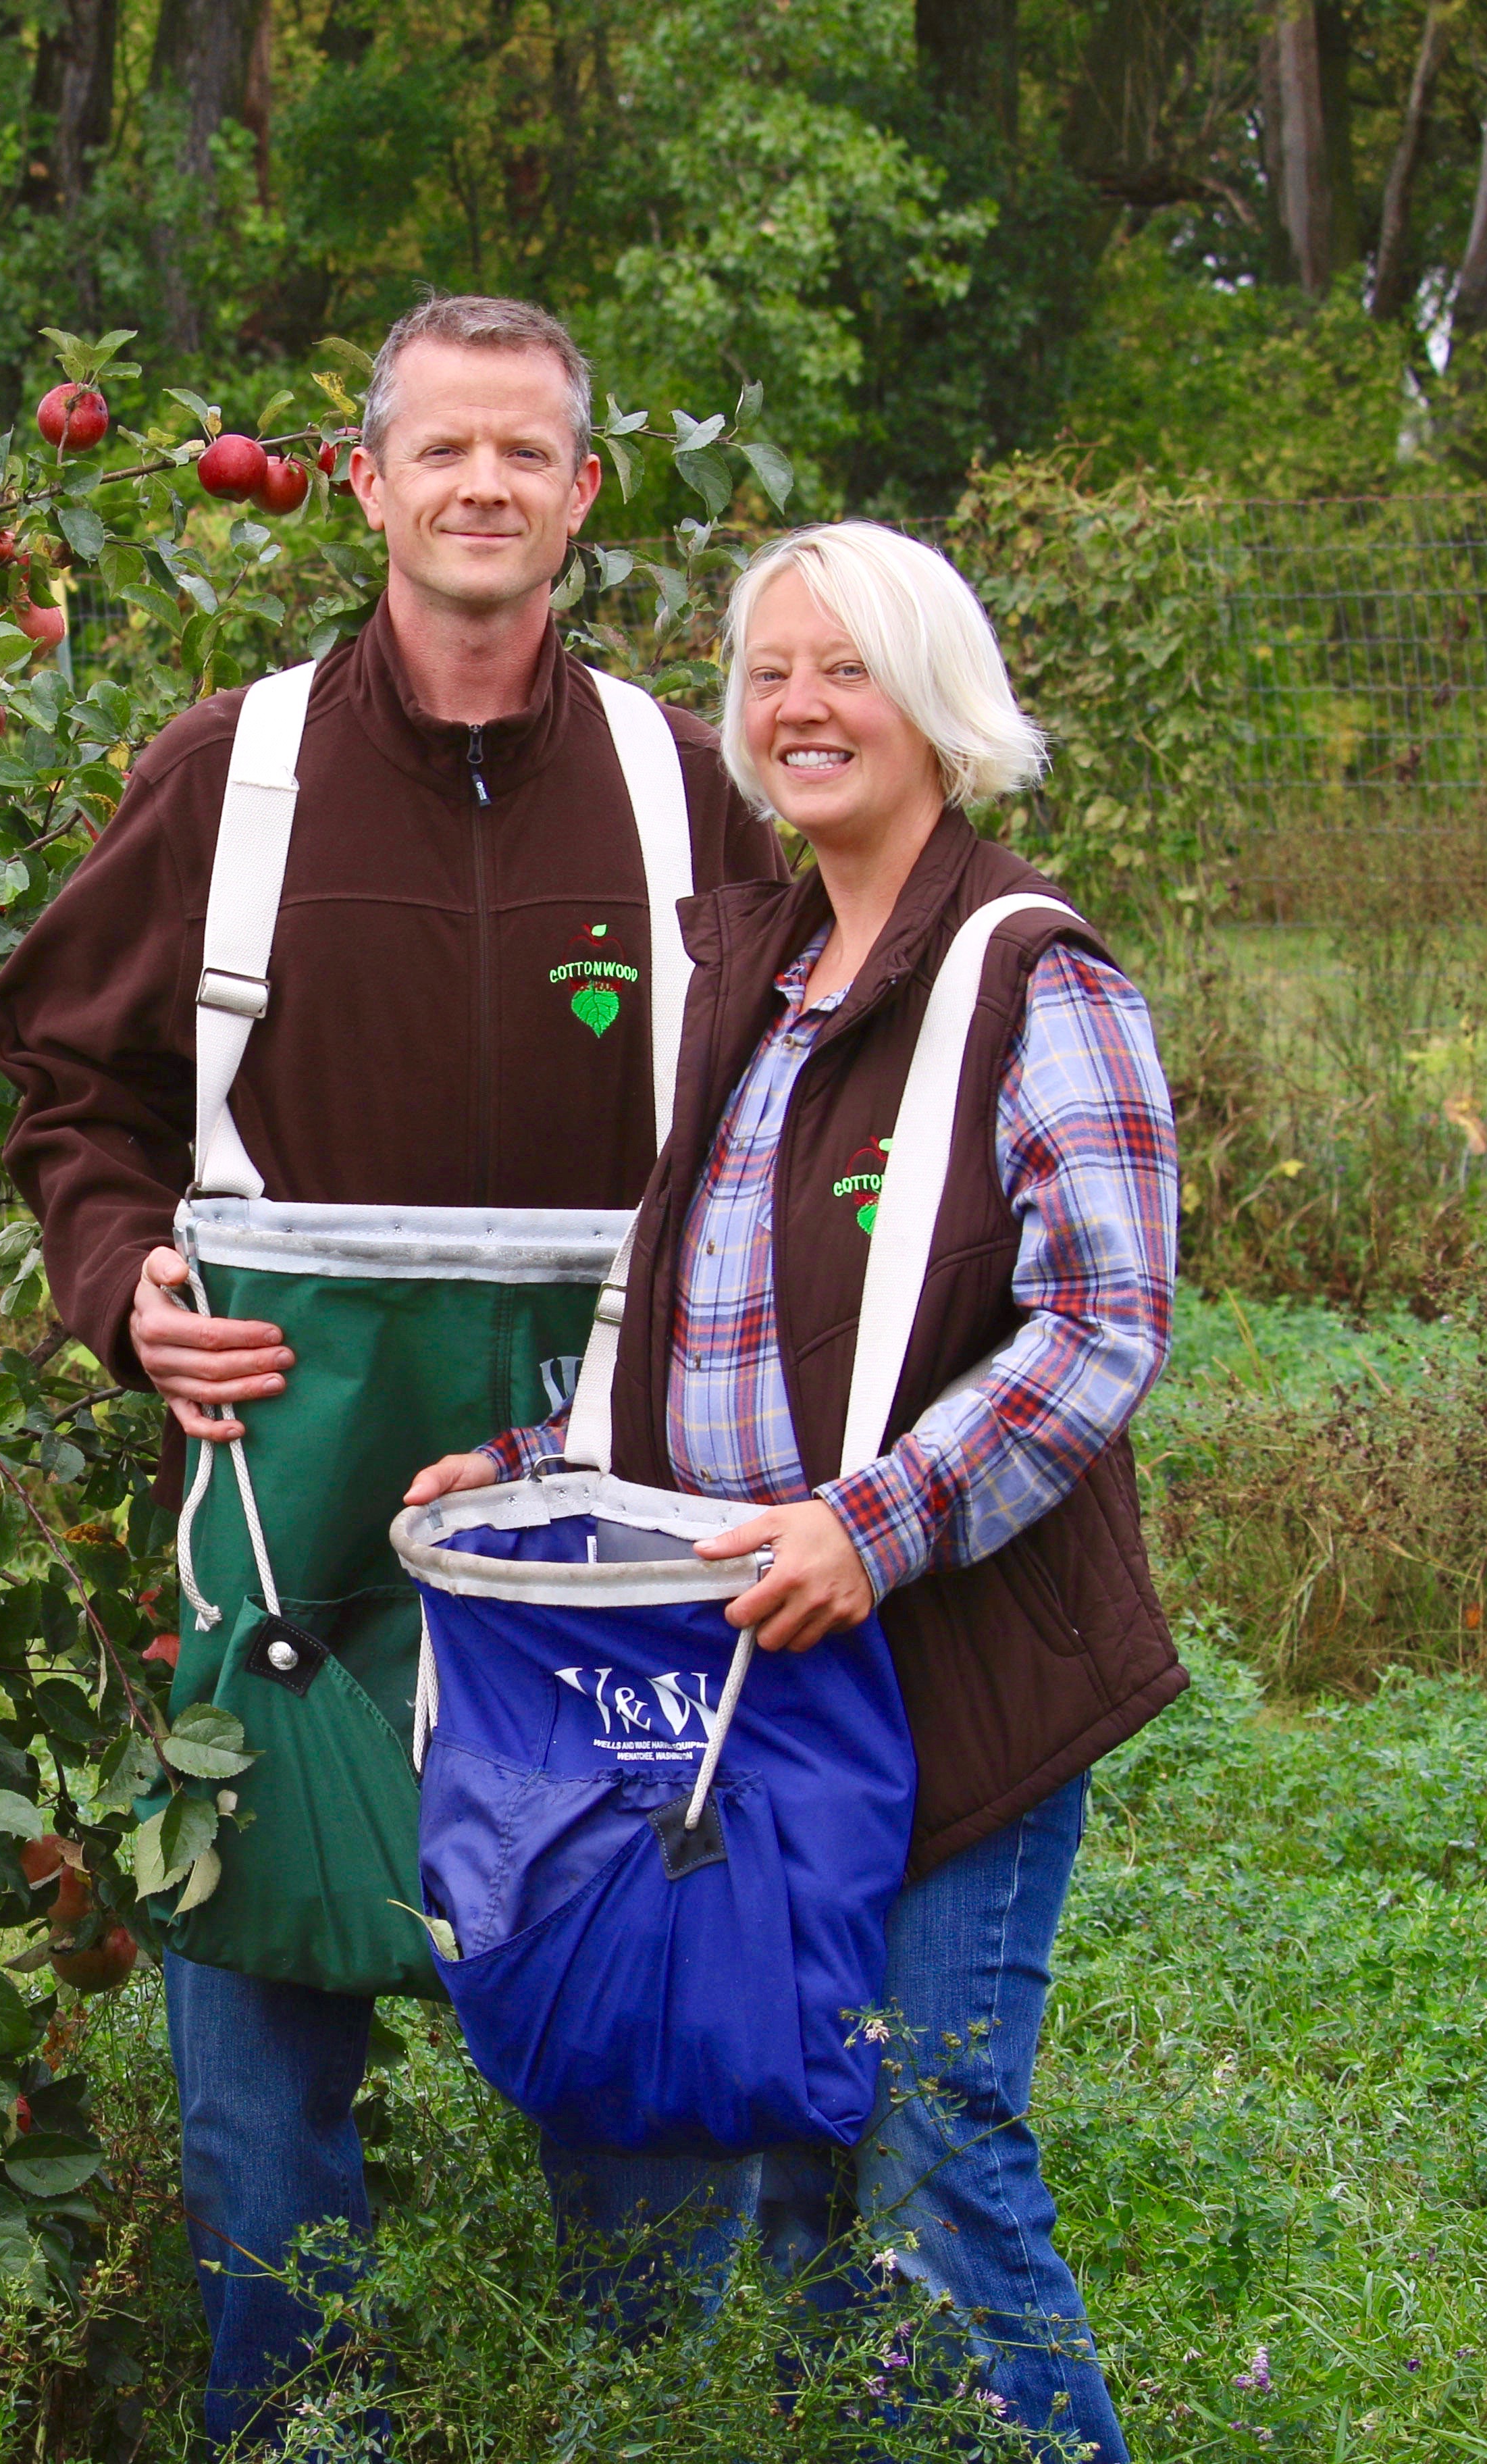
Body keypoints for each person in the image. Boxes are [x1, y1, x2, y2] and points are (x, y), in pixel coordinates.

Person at [0, 294, 785, 2449]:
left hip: (604, 1494)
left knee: (632, 1998)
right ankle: (296, 2428)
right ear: (365, 484)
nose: (482, 486)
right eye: (442, 449)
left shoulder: (684, 790)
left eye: (525, 453)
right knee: (261, 2035)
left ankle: (643, 2425)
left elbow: (789, 1118)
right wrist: (124, 1277)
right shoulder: (227, 774)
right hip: (289, 1485)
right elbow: (66, 1082)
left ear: (585, 494)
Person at [407, 519, 1184, 2459]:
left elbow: (1106, 1318)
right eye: (769, 673)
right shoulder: (753, 972)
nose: (800, 706)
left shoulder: (1029, 976)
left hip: (950, 1664)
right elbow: (704, 1322)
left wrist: (874, 1523)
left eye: (848, 668)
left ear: (938, 702)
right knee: (794, 2139)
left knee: (927, 2133)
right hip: (759, 1672)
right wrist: (534, 1467)